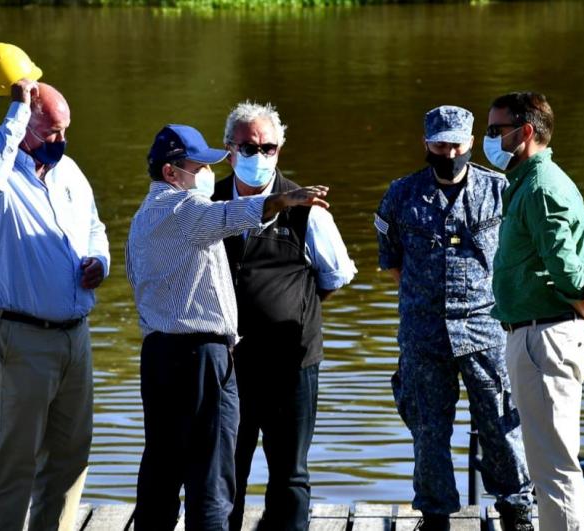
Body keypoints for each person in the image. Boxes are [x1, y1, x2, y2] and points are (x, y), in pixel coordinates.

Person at [126, 124, 331, 531]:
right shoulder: (187, 210)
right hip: (201, 355)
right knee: (212, 473)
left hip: (159, 354)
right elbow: (231, 213)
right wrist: (281, 200)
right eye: (198, 164)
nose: (206, 171)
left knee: (162, 465)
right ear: (171, 173)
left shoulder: (141, 217)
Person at [375, 106, 534, 531]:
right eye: (440, 144)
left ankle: (516, 508)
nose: (449, 152)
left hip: (485, 328)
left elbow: (517, 254)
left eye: (457, 144)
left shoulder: (500, 190)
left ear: (470, 143)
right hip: (423, 332)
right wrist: (426, 297)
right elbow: (392, 261)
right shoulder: (401, 195)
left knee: (501, 422)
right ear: (426, 144)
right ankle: (435, 514)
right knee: (428, 429)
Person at [483, 92, 584, 530]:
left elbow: (567, 272)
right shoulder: (531, 182)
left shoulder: (541, 188)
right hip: (539, 334)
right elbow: (566, 267)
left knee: (554, 468)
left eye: (496, 130)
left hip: (544, 338)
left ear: (525, 132)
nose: (488, 140)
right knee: (549, 461)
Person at [0, 79, 110, 530]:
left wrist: (99, 261)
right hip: (20, 336)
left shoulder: (71, 173)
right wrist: (17, 111)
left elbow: (94, 227)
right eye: (51, 132)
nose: (61, 141)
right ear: (24, 126)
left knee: (70, 456)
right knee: (17, 459)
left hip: (75, 336)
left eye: (65, 131)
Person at [212, 101, 357, 531]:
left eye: (269, 148)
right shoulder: (206, 203)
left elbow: (333, 277)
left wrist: (286, 305)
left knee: (290, 474)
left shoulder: (307, 208)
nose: (260, 156)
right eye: (249, 147)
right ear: (229, 149)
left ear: (280, 150)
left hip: (291, 364)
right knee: (226, 471)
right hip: (227, 365)